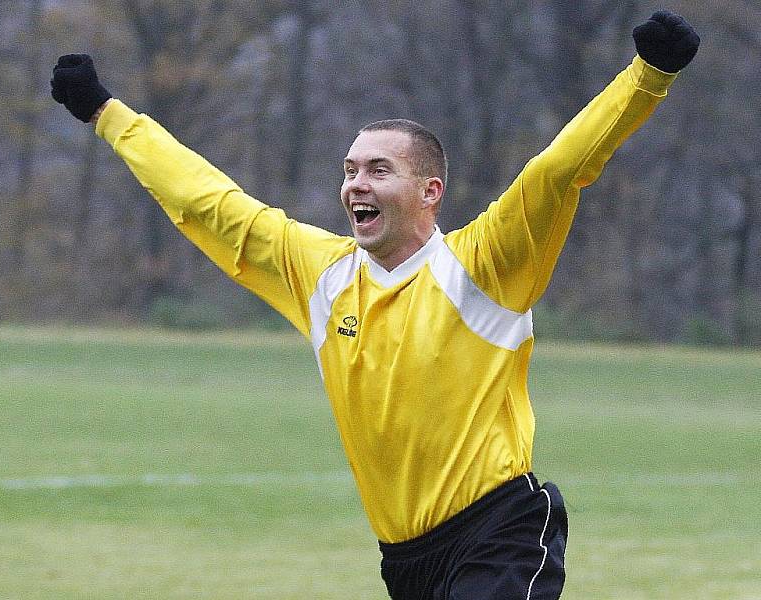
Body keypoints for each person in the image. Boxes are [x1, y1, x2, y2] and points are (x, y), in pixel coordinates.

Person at [51, 10, 699, 600]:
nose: (357, 183)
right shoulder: (321, 274)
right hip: (405, 561)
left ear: (430, 191)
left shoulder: (486, 265)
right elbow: (207, 203)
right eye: (350, 170)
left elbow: (559, 170)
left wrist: (648, 75)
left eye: (379, 170)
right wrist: (109, 115)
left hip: (501, 533)